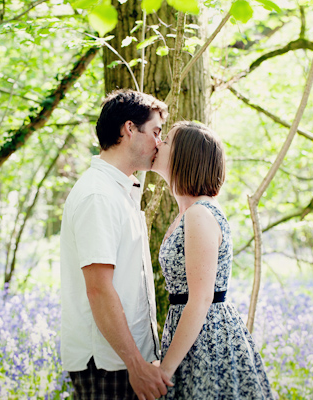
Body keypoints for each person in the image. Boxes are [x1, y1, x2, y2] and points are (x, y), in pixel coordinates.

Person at [60, 89, 173, 400]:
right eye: (155, 132)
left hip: (125, 360)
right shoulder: (99, 196)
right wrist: (135, 363)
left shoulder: (118, 190)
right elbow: (98, 288)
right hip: (108, 364)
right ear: (129, 129)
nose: (159, 143)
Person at [150, 121, 274, 399]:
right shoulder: (190, 212)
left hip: (206, 342)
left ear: (185, 155)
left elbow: (201, 298)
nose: (158, 143)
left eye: (166, 140)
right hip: (193, 336)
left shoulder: (199, 214)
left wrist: (165, 370)